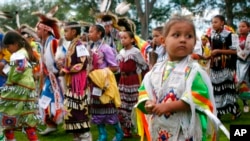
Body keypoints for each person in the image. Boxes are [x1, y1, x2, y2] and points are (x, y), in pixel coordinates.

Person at [133, 14, 217, 141]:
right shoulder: (155, 70)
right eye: (176, 35)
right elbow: (144, 92)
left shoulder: (193, 71)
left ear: (194, 43)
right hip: (159, 129)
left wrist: (167, 106)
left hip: (184, 131)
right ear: (163, 41)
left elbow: (197, 97)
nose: (183, 40)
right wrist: (148, 103)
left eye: (189, 36)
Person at [0, 31, 39, 141]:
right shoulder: (23, 52)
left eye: (8, 46)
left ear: (15, 43)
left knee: (5, 112)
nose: (7, 49)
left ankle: (10, 139)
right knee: (26, 115)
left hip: (18, 87)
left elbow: (20, 69)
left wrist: (10, 81)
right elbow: (18, 67)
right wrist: (8, 71)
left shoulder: (18, 55)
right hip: (28, 87)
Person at [88, 24, 123, 141]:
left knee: (109, 108)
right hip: (94, 83)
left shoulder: (106, 48)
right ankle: (102, 134)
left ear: (99, 33)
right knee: (96, 109)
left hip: (104, 84)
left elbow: (115, 67)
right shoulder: (91, 47)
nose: (89, 34)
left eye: (91, 31)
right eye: (89, 31)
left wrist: (101, 74)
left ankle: (119, 133)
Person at [58, 21, 92, 141]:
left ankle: (85, 136)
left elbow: (82, 64)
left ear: (73, 31)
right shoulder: (72, 45)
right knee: (72, 110)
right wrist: (63, 64)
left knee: (78, 110)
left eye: (66, 31)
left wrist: (66, 70)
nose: (64, 33)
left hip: (78, 83)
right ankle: (77, 136)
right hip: (71, 82)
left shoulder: (79, 45)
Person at [33, 12, 64, 135]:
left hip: (58, 79)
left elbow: (63, 58)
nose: (36, 31)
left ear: (46, 31)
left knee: (53, 100)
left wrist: (61, 70)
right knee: (45, 100)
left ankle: (57, 123)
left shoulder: (54, 42)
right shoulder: (43, 44)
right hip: (48, 79)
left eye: (39, 29)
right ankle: (52, 124)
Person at [206, 15, 241, 119]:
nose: (213, 24)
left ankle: (235, 110)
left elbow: (235, 51)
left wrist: (219, 51)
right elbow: (211, 50)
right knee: (216, 90)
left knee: (227, 89)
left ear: (222, 23)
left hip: (227, 66)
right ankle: (219, 112)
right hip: (215, 66)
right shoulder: (212, 35)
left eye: (215, 22)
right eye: (212, 22)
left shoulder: (231, 35)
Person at [117, 31, 148, 138]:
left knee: (133, 103)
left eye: (125, 37)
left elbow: (144, 65)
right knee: (122, 105)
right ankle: (126, 129)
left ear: (132, 40)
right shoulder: (121, 52)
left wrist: (139, 74)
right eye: (121, 38)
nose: (123, 40)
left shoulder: (135, 52)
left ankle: (140, 128)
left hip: (133, 80)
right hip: (122, 81)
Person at [235, 21, 250, 113]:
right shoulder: (236, 38)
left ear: (248, 28)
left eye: (243, 26)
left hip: (249, 62)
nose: (240, 28)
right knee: (240, 83)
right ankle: (245, 103)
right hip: (239, 63)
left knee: (248, 82)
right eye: (239, 26)